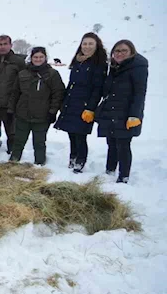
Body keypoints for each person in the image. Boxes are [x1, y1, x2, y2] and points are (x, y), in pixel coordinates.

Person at [54, 32, 108, 173]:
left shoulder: (99, 63)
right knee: (71, 133)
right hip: (71, 102)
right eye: (85, 43)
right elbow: (71, 83)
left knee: (80, 135)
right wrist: (64, 101)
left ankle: (80, 161)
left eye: (91, 44)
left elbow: (98, 89)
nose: (87, 46)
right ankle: (73, 157)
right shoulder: (78, 61)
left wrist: (90, 108)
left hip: (85, 105)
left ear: (97, 45)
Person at [95, 40, 148, 184]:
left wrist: (134, 115)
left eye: (124, 50)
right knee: (111, 142)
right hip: (111, 110)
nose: (120, 53)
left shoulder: (138, 67)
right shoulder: (114, 67)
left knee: (123, 145)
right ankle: (110, 170)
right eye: (117, 51)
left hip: (126, 113)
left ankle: (123, 176)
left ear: (131, 52)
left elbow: (139, 93)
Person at [8, 47, 65, 165]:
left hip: (42, 115)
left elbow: (58, 93)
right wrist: (11, 109)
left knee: (39, 142)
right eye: (35, 57)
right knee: (19, 140)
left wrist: (53, 111)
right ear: (31, 58)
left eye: (41, 57)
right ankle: (13, 161)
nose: (38, 59)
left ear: (45, 58)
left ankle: (39, 163)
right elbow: (15, 93)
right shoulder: (23, 73)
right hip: (23, 113)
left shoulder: (52, 74)